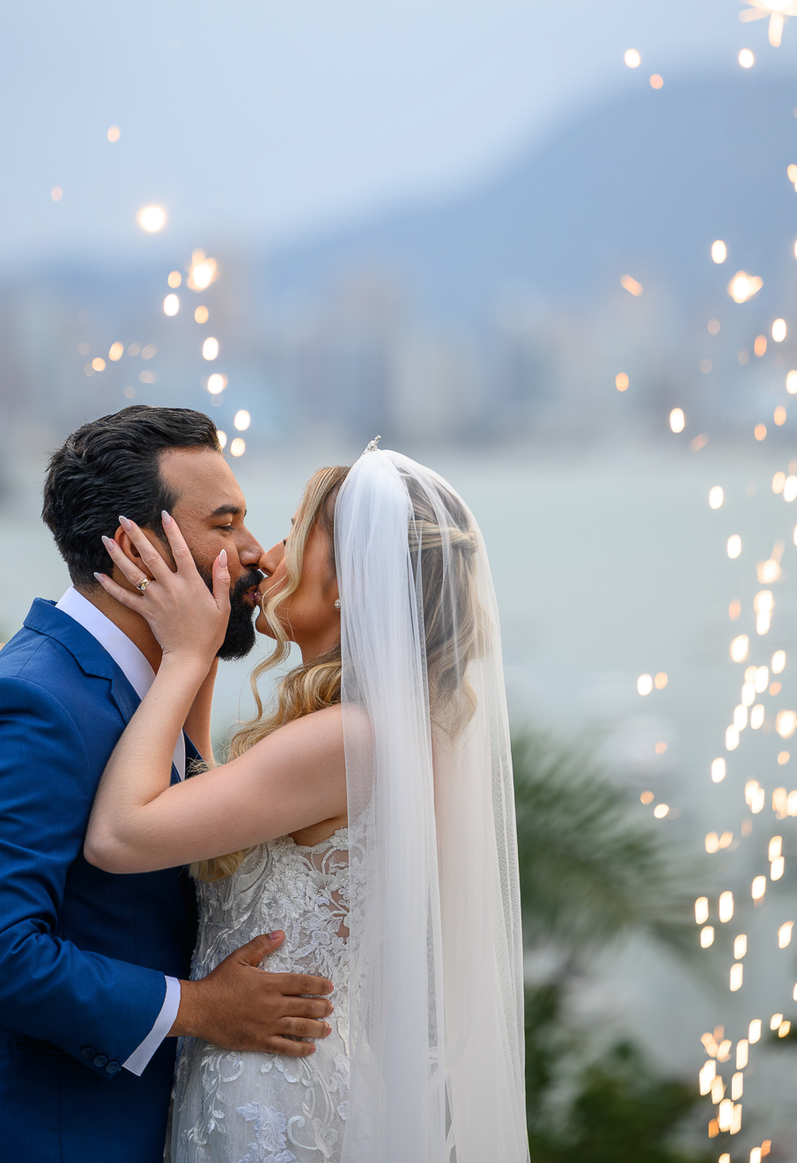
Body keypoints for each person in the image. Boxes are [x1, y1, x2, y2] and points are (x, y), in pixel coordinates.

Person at [0, 406, 334, 1163]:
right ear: (135, 550)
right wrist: (200, 1009)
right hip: (30, 1139)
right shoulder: (32, 703)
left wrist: (192, 660)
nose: (254, 552)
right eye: (225, 524)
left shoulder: (150, 687)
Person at [85, 444, 529, 1163]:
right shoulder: (398, 730)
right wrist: (204, 649)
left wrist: (186, 657)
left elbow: (119, 834)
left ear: (353, 579)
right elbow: (204, 806)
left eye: (295, 534)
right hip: (297, 1070)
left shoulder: (347, 738)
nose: (266, 556)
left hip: (267, 1095)